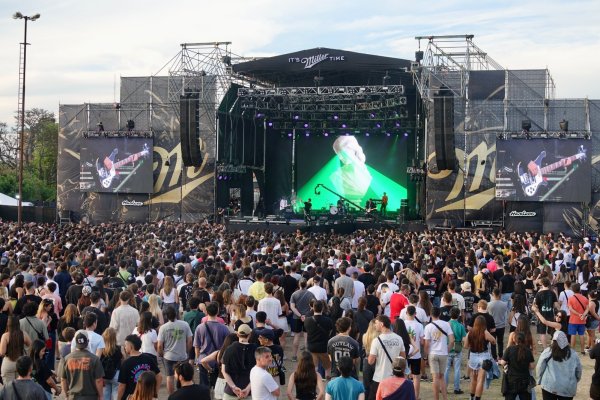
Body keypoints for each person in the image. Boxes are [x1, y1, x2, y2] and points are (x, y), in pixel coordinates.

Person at [368, 315, 405, 400]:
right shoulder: (399, 338)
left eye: (376, 323)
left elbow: (370, 361)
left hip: (380, 377)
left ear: (381, 324)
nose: (375, 325)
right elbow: (403, 358)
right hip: (395, 377)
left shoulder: (376, 340)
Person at [536, 330, 582, 400]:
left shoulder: (547, 352)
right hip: (567, 387)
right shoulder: (573, 354)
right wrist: (575, 380)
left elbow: (540, 367)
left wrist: (539, 379)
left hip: (549, 385)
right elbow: (578, 371)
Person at [157, 305, 193, 394]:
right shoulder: (185, 324)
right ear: (176, 314)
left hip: (169, 356)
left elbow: (159, 346)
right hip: (182, 355)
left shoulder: (163, 328)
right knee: (184, 376)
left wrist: (161, 354)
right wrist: (187, 351)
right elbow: (190, 341)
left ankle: (172, 396)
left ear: (166, 316)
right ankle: (183, 394)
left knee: (169, 377)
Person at [59, 331, 105, 400]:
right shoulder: (95, 359)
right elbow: (99, 380)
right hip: (90, 397)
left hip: (73, 396)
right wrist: (101, 396)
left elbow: (63, 379)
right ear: (88, 341)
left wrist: (66, 395)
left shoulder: (66, 359)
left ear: (75, 343)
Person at [194, 301, 230, 386]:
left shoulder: (200, 327)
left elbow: (197, 347)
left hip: (204, 360)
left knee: (204, 386)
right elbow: (227, 347)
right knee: (218, 387)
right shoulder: (224, 328)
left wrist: (198, 359)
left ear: (206, 312)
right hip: (218, 360)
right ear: (217, 312)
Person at [118, 335, 162, 400]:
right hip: (147, 396)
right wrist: (154, 393)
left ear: (131, 347)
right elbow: (159, 376)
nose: (125, 347)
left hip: (132, 397)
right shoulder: (148, 358)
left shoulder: (126, 363)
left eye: (126, 345)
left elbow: (122, 386)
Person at [423, 307, 454, 400]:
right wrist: (447, 349)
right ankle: (445, 398)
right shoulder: (446, 324)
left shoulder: (428, 327)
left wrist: (425, 355)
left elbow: (427, 344)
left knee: (435, 378)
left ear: (431, 315)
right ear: (439, 314)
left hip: (433, 353)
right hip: (443, 353)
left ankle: (436, 398)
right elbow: (452, 341)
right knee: (441, 377)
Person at [465, 315, 496, 400]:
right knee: (480, 380)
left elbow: (465, 346)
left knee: (473, 379)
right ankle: (477, 398)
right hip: (483, 356)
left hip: (473, 356)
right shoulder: (484, 332)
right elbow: (493, 341)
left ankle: (471, 397)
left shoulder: (470, 333)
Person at [221, 324, 256, 400]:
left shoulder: (229, 349)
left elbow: (224, 371)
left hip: (230, 393)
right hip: (250, 393)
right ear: (249, 335)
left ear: (237, 334)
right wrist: (248, 388)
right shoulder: (256, 350)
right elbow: (259, 372)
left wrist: (233, 387)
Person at [499, 332, 535, 400]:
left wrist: (500, 361)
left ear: (514, 340)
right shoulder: (527, 351)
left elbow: (503, 362)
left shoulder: (509, 349)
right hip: (524, 380)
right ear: (524, 340)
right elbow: (532, 366)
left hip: (512, 380)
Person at [304, 300, 334, 379]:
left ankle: (315, 382)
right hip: (323, 348)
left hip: (311, 347)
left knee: (314, 368)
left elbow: (306, 331)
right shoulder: (328, 320)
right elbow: (330, 332)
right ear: (323, 308)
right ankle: (328, 383)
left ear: (313, 308)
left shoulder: (307, 320)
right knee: (327, 367)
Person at [0, 315, 32, 386]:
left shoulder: (5, 336)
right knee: (20, 387)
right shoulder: (23, 334)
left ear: (8, 324)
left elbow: (2, 352)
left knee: (9, 388)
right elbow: (30, 345)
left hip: (8, 362)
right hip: (20, 362)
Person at [290, 279, 316, 362]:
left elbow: (292, 307)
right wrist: (306, 315)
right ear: (306, 285)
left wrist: (300, 315)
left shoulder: (294, 294)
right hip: (308, 318)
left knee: (296, 336)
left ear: (299, 284)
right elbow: (314, 306)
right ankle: (307, 357)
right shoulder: (311, 294)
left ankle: (294, 356)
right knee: (306, 336)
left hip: (297, 317)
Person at [445, 307, 467, 395]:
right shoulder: (461, 326)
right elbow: (464, 339)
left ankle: (444, 387)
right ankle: (456, 388)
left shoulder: (446, 324)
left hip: (448, 348)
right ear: (458, 315)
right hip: (457, 347)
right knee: (457, 369)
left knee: (446, 369)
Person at [534, 278, 559, 349]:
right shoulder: (552, 292)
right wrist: (559, 311)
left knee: (542, 332)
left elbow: (536, 306)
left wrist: (536, 314)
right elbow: (556, 305)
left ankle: (545, 348)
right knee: (552, 331)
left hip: (541, 315)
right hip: (550, 313)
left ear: (542, 284)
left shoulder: (538, 294)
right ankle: (553, 346)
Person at [101, 327, 122, 400]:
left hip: (104, 375)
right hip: (116, 374)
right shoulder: (118, 349)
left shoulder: (101, 349)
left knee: (106, 393)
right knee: (116, 393)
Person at [566, 282, 588, 354]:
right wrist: (583, 315)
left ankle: (572, 350)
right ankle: (582, 350)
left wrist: (578, 314)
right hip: (582, 320)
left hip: (573, 320)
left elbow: (570, 309)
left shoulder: (571, 298)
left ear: (572, 290)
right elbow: (588, 309)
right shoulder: (584, 298)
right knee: (581, 335)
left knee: (573, 335)